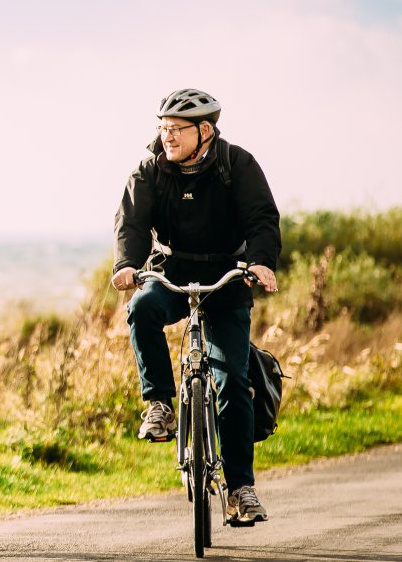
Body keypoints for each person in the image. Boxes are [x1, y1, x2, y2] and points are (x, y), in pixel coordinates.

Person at [111, 88, 281, 524]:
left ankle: (241, 489)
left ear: (205, 131)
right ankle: (159, 406)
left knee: (231, 381)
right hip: (171, 269)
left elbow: (262, 218)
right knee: (142, 308)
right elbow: (131, 221)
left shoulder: (236, 165)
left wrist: (260, 262)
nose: (167, 136)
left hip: (226, 276)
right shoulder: (150, 171)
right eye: (163, 128)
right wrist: (128, 265)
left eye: (176, 129)